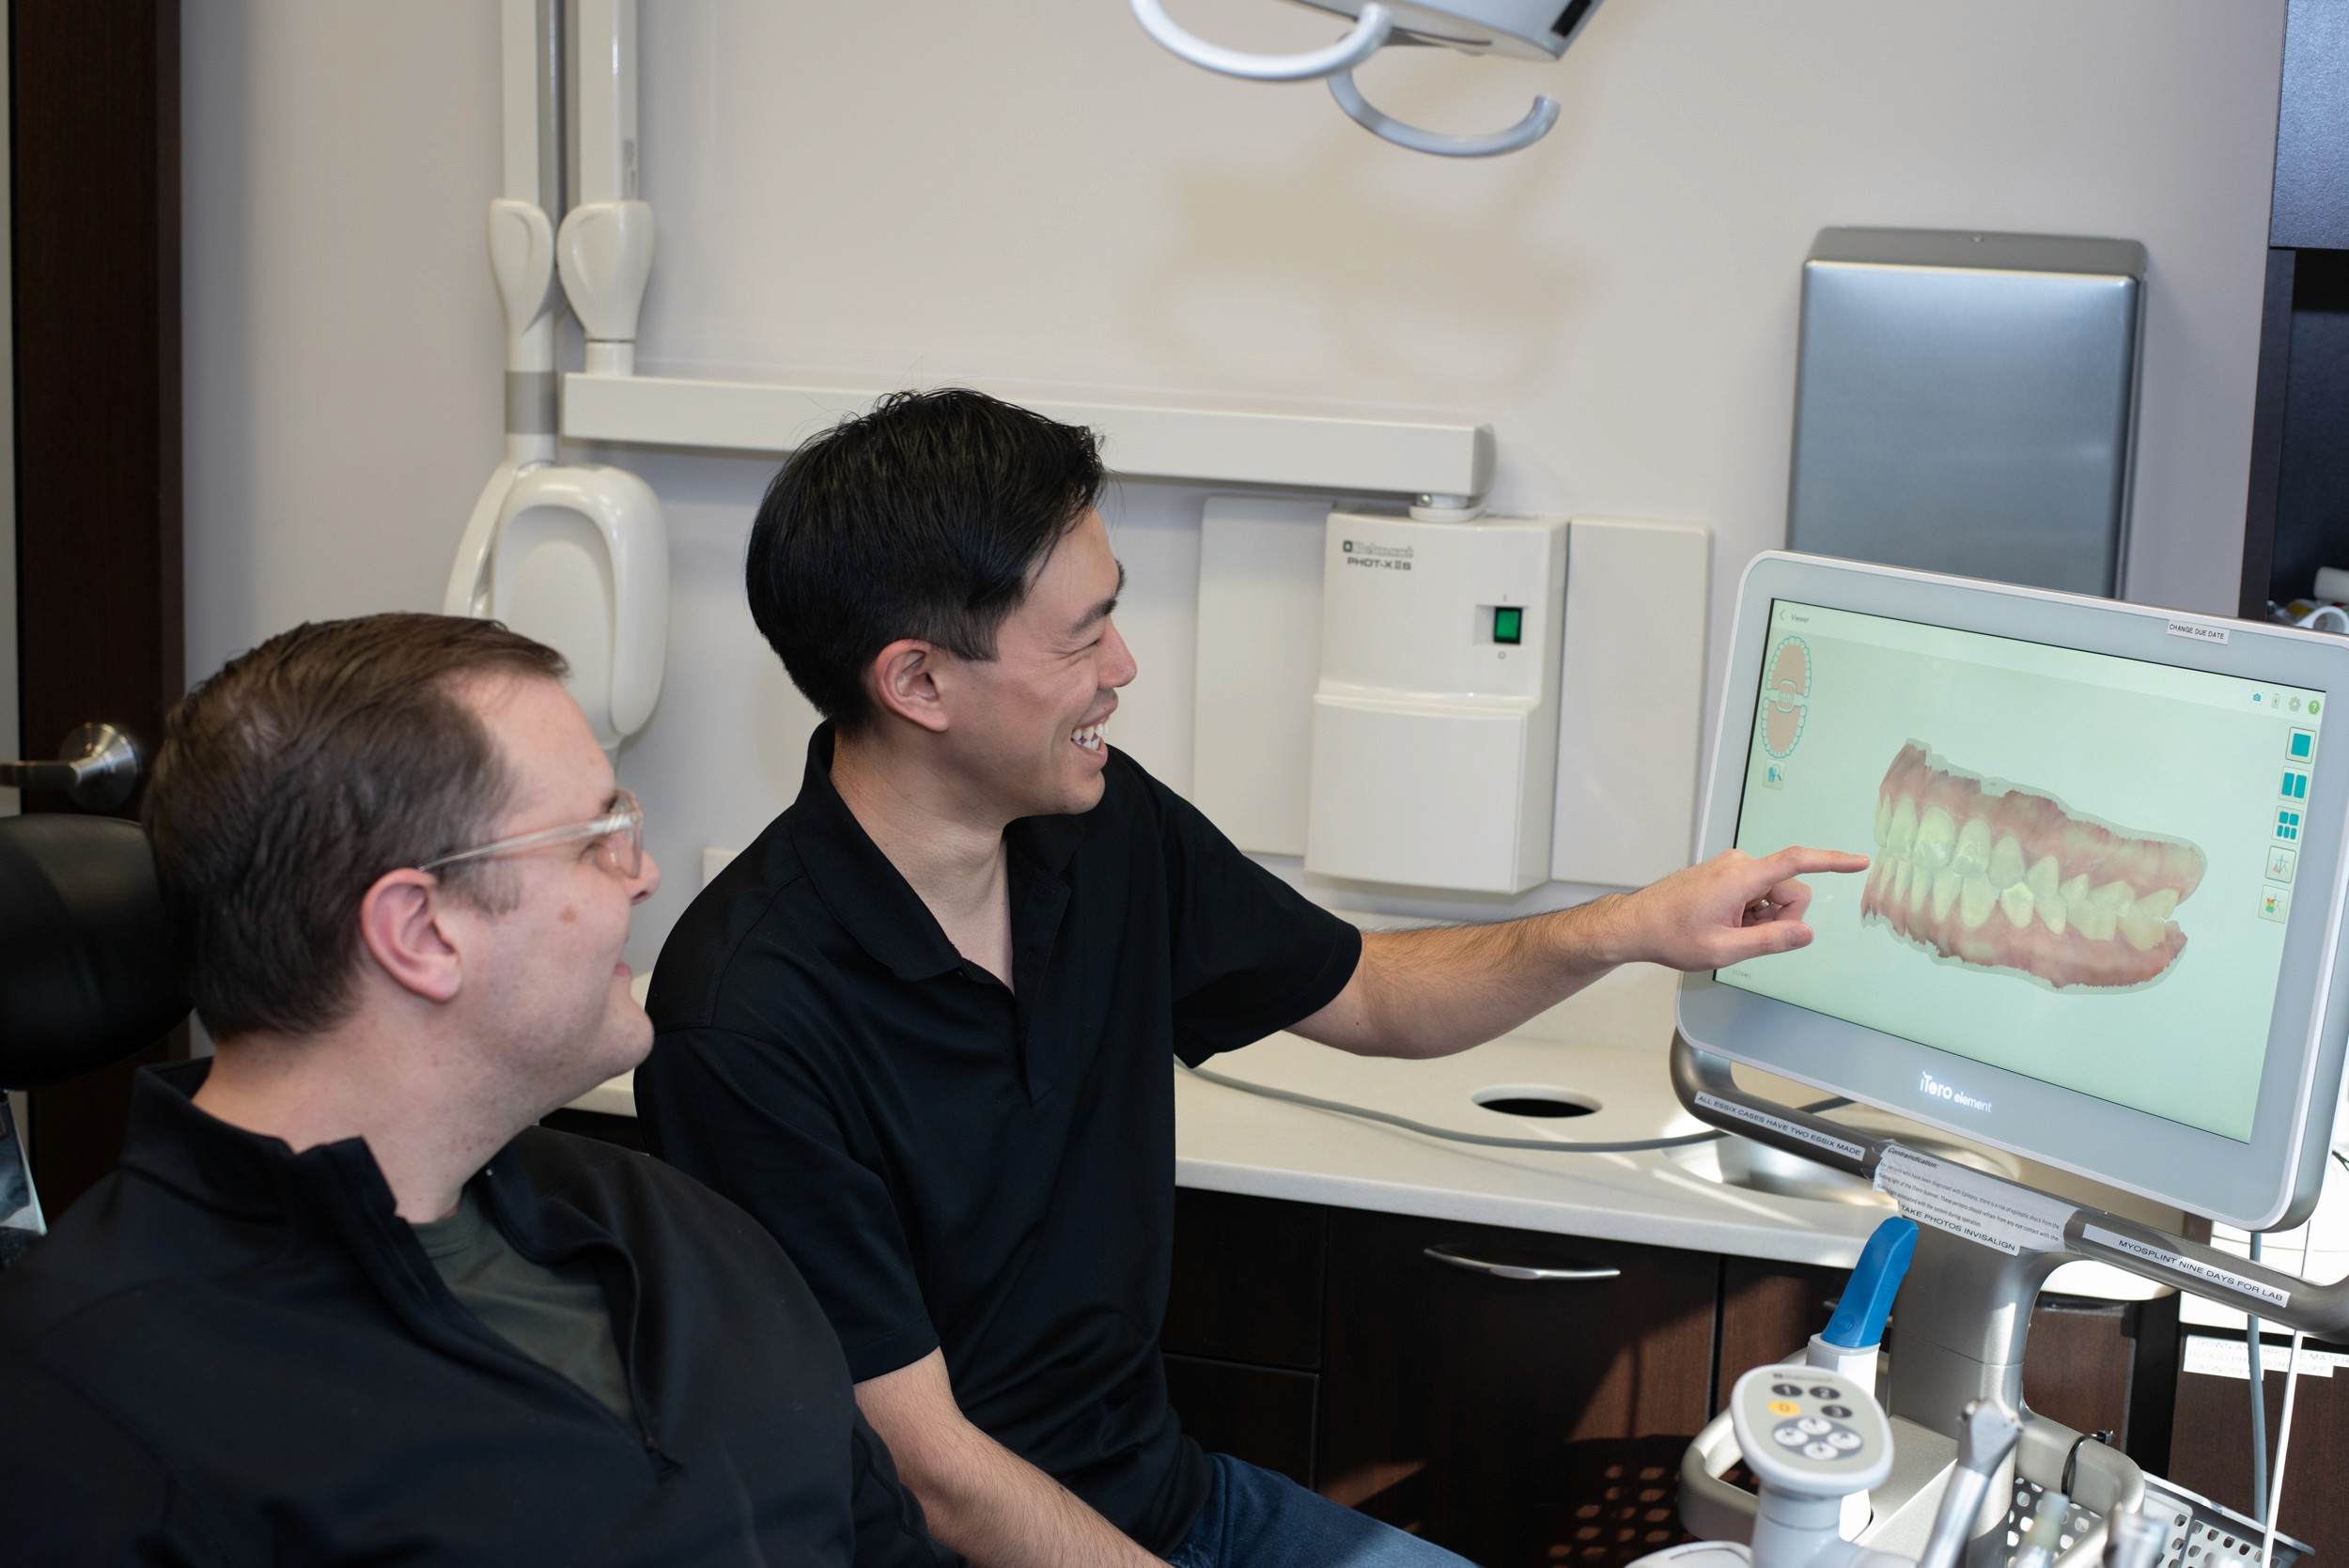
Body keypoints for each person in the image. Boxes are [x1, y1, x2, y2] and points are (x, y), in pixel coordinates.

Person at [635, 389, 1866, 1568]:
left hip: (1176, 1502)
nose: (1125, 665)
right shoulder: (746, 1016)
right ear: (918, 683)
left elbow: (1373, 993)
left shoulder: (1097, 834)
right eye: (1082, 636)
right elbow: (932, 1471)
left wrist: (1628, 929)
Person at [0, 613, 959, 1568]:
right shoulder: (102, 1403)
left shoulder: (680, 1233)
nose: (644, 875)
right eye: (597, 839)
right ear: (420, 931)